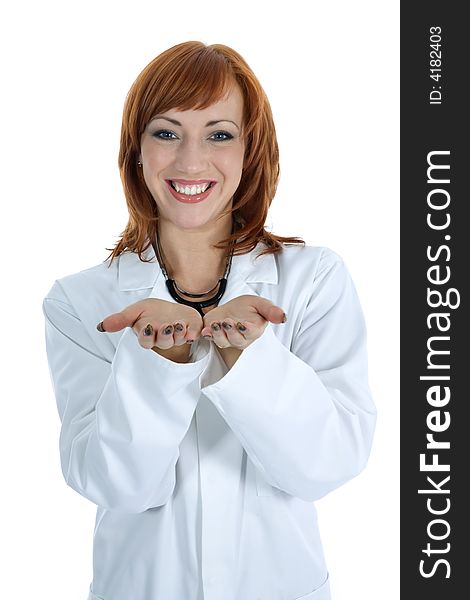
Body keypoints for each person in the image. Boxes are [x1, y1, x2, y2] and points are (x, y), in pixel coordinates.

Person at [42, 41, 376, 600]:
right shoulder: (80, 302)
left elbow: (327, 465)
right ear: (136, 151)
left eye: (219, 134)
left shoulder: (313, 280)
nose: (191, 161)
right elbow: (114, 485)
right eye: (166, 132)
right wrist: (158, 363)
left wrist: (251, 358)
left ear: (251, 149)